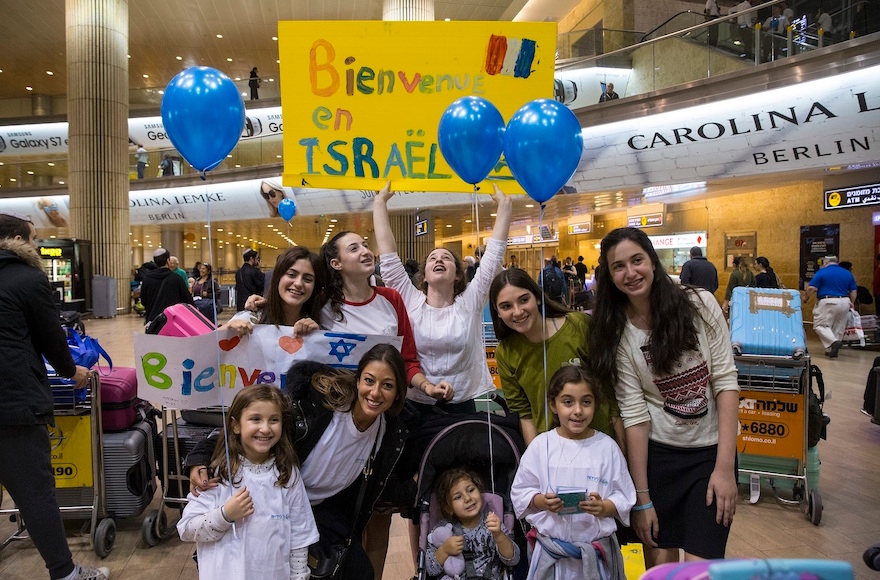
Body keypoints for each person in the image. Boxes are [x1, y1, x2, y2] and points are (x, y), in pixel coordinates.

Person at [188, 344, 417, 580]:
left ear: (399, 392)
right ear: (357, 381)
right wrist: (199, 458)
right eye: (369, 380)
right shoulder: (318, 406)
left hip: (324, 510)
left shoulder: (392, 433)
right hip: (275, 498)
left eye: (387, 385)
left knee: (359, 572)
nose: (375, 393)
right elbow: (250, 429)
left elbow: (385, 484)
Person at [587, 227, 738, 565]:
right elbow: (635, 416)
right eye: (618, 266)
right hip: (658, 459)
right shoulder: (619, 333)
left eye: (637, 260)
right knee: (661, 565)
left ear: (652, 261)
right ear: (609, 276)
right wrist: (642, 500)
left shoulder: (699, 304)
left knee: (702, 566)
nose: (630, 273)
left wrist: (725, 467)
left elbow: (726, 383)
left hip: (710, 455)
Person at [0, 212, 110, 580]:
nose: (36, 245)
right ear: (16, 240)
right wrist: (71, 371)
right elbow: (52, 339)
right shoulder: (27, 278)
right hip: (13, 403)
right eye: (31, 238)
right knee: (35, 493)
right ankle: (65, 573)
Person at [373, 181, 512, 411]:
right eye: (432, 258)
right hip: (415, 404)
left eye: (446, 258)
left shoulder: (470, 303)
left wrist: (505, 207)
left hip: (463, 404)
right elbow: (389, 263)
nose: (439, 260)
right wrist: (379, 203)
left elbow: (492, 259)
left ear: (458, 275)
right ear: (424, 276)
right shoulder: (411, 302)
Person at [177, 385, 318, 580]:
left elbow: (300, 537)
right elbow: (186, 529)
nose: (265, 428)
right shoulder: (218, 474)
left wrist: (299, 577)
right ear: (235, 425)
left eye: (274, 420)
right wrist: (224, 515)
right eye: (255, 419)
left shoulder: (287, 475)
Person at [511, 365, 634, 579]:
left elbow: (624, 496)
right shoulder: (541, 446)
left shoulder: (607, 447)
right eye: (568, 402)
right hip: (551, 554)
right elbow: (521, 492)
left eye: (586, 402)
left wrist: (603, 506)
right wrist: (541, 501)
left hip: (595, 555)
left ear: (595, 404)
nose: (578, 411)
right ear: (553, 404)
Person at [488, 268, 622, 447]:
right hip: (552, 449)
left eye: (524, 300)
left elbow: (610, 393)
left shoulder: (578, 326)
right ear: (496, 311)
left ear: (536, 297)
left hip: (599, 442)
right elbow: (523, 413)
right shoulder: (506, 351)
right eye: (506, 306)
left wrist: (621, 450)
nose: (518, 311)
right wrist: (538, 459)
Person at [426, 468, 519, 579]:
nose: (467, 498)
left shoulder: (493, 524)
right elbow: (430, 569)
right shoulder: (443, 530)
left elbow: (512, 560)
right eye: (458, 497)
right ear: (448, 507)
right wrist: (444, 550)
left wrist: (499, 535)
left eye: (471, 490)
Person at [226, 246, 323, 337]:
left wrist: (317, 339)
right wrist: (227, 330)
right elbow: (212, 348)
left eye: (308, 279)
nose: (298, 283)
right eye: (291, 274)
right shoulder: (250, 321)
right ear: (278, 277)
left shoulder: (321, 324)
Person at [804, 255, 857, 358]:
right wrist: (852, 302)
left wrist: (806, 297)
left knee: (820, 325)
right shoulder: (847, 273)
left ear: (826, 262)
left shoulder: (822, 272)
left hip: (828, 301)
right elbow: (853, 291)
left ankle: (833, 342)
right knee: (839, 326)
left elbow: (811, 287)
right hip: (845, 301)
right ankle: (831, 350)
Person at [140, 247, 193, 326]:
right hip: (173, 321)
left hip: (153, 321)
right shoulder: (176, 278)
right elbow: (187, 300)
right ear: (168, 261)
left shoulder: (147, 278)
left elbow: (143, 301)